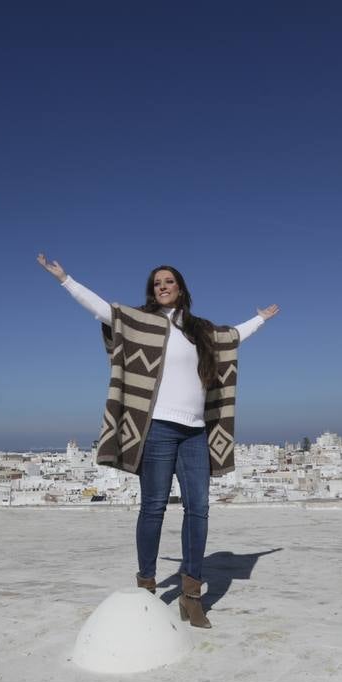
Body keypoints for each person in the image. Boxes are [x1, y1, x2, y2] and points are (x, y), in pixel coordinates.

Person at [37, 253, 278, 628]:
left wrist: (260, 319)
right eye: (156, 283)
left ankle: (191, 595)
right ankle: (146, 588)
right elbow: (105, 311)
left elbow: (232, 338)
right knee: (154, 508)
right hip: (158, 429)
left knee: (198, 510)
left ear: (181, 288)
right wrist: (66, 279)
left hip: (196, 431)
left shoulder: (200, 331)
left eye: (168, 281)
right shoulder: (142, 323)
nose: (162, 286)